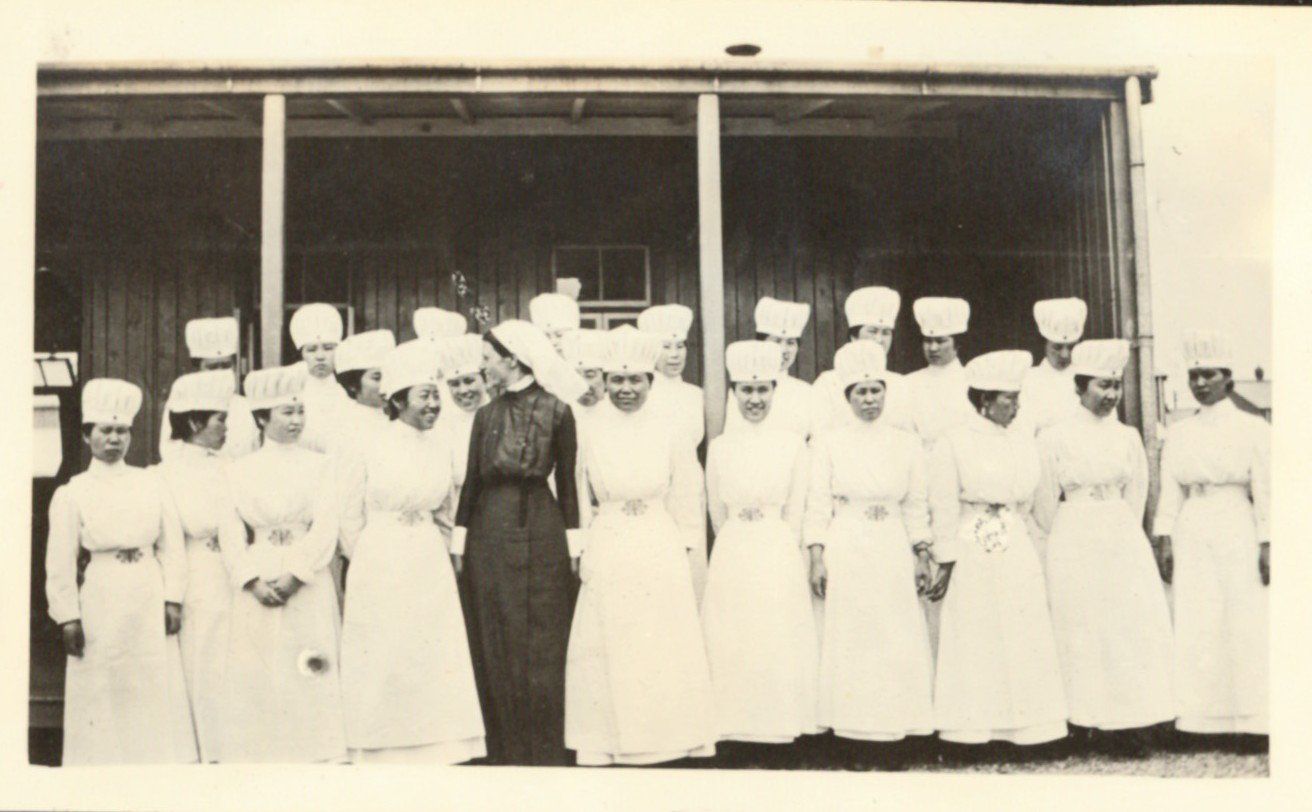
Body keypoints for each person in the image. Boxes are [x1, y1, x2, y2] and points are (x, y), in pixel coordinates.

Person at [565, 325, 716, 766]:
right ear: (605, 381)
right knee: (610, 638)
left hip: (657, 538)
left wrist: (686, 547)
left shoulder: (670, 427)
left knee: (658, 638)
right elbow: (579, 491)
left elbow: (688, 490)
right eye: (617, 380)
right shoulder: (589, 426)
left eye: (635, 380)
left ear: (650, 381)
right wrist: (582, 546)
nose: (626, 389)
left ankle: (668, 739)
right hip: (609, 538)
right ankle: (607, 740)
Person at [338, 339, 486, 764]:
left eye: (436, 396)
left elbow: (445, 512)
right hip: (380, 556)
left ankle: (439, 745)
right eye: (425, 396)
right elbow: (348, 514)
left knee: (430, 650)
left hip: (427, 559)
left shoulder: (442, 446)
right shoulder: (367, 443)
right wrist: (367, 559)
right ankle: (380, 745)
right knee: (386, 649)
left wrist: (447, 556)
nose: (434, 405)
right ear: (399, 400)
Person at [452, 319, 588, 766]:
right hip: (488, 529)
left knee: (541, 635)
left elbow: (567, 485)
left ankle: (544, 748)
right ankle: (502, 747)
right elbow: (471, 481)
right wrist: (459, 542)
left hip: (541, 528)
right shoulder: (485, 415)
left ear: (512, 360)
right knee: (494, 632)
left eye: (489, 359)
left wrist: (573, 547)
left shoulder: (558, 411)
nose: (483, 367)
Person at [45, 378, 197, 764]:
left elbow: (171, 546)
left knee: (149, 678)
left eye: (122, 431)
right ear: (87, 436)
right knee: (103, 678)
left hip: (147, 589)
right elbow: (59, 562)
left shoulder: (151, 483)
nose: (114, 439)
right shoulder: (73, 492)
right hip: (103, 593)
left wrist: (172, 597)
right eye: (105, 431)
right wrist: (68, 617)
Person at [1032, 339, 1173, 747]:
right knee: (1080, 623)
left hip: (1120, 536)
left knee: (1124, 624)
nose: (1111, 394)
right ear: (1080, 386)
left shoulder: (1128, 437)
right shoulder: (1054, 437)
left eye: (1116, 385)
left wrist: (1119, 529)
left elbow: (1137, 495)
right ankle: (1083, 719)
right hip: (1073, 535)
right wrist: (1071, 531)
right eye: (1102, 385)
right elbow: (1045, 504)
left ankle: (1130, 720)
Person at [925, 350, 1068, 747]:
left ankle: (1029, 727)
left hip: (1014, 538)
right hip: (974, 539)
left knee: (1021, 625)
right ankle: (972, 729)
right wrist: (946, 559)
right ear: (985, 400)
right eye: (1009, 399)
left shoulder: (1022, 441)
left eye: (1018, 398)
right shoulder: (954, 441)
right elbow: (943, 502)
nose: (1016, 407)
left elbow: (1034, 500)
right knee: (978, 628)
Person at [804, 341, 934, 748]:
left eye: (875, 390)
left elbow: (915, 504)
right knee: (854, 635)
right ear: (847, 397)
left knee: (892, 632)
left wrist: (921, 552)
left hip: (891, 542)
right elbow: (818, 503)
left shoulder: (906, 443)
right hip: (849, 542)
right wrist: (817, 556)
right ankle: (852, 732)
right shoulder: (828, 442)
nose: (869, 399)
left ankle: (895, 729)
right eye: (860, 392)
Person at [220, 365, 348, 763]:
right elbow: (230, 531)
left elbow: (326, 526)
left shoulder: (321, 466)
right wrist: (251, 580)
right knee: (260, 663)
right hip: (259, 571)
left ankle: (315, 751)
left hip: (306, 574)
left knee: (308, 662)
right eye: (286, 412)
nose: (296, 421)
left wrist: (297, 576)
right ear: (261, 418)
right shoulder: (237, 470)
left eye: (300, 411)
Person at [701, 340, 818, 750]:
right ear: (734, 393)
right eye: (746, 390)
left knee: (774, 632)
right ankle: (734, 729)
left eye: (762, 390)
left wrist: (784, 546)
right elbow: (716, 509)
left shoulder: (791, 444)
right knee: (734, 632)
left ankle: (778, 728)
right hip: (734, 545)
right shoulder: (720, 447)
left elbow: (797, 507)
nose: (755, 399)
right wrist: (735, 536)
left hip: (776, 543)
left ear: (774, 391)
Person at [1153, 330, 1269, 737]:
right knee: (1198, 616)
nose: (1200, 383)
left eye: (1209, 375)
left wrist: (1268, 542)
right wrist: (1164, 536)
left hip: (1236, 522)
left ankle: (1251, 720)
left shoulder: (1254, 428)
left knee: (1242, 615)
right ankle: (1199, 720)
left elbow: (1266, 490)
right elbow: (1170, 490)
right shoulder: (1180, 432)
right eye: (1194, 376)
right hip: (1193, 526)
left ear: (1228, 378)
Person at [157, 369, 245, 763]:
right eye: (220, 419)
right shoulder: (168, 473)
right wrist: (173, 597)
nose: (227, 427)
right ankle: (209, 753)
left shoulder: (230, 465)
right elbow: (172, 539)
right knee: (205, 662)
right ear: (195, 423)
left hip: (236, 573)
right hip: (200, 577)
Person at [636, 303, 708, 599]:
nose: (675, 354)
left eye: (680, 346)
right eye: (666, 347)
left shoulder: (696, 395)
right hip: (656, 487)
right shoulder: (644, 395)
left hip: (690, 486)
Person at [323, 328, 396, 604]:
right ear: (354, 385)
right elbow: (346, 505)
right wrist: (361, 556)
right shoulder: (347, 428)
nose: (387, 384)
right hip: (367, 554)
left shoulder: (392, 421)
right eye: (376, 377)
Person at [812, 286, 913, 435]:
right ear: (854, 336)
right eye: (873, 331)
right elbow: (820, 433)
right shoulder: (827, 383)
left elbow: (907, 433)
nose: (880, 339)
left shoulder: (900, 383)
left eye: (886, 333)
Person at [159, 316, 259, 462]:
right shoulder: (185, 405)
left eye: (226, 366)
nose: (220, 373)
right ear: (199, 368)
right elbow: (171, 452)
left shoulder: (245, 406)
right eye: (212, 367)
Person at [723, 297, 817, 439]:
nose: (784, 350)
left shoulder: (806, 392)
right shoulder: (742, 388)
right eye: (777, 341)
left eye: (791, 343)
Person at [904, 297, 974, 449]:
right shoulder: (909, 382)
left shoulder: (971, 381)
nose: (933, 348)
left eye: (941, 341)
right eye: (928, 341)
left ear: (957, 343)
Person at [433, 332, 491, 511]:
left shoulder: (499, 415)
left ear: (485, 380)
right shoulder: (441, 425)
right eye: (455, 384)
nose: (463, 390)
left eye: (469, 381)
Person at [1018, 298, 1087, 436]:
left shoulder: (1088, 378)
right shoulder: (1029, 380)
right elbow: (1023, 430)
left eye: (1071, 347)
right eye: (1057, 347)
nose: (1065, 355)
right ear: (1043, 344)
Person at [289, 302, 351, 454]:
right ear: (302, 354)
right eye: (311, 350)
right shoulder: (292, 393)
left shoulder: (346, 394)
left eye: (328, 348)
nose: (320, 356)